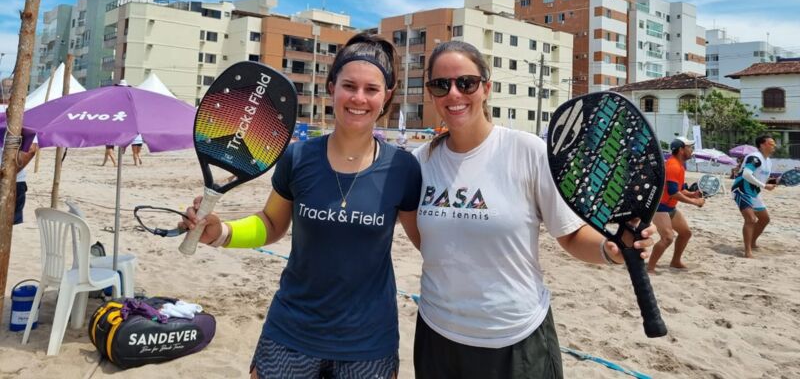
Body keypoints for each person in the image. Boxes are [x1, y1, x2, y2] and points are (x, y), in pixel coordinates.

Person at [411, 40, 654, 379]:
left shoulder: (526, 151)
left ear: (486, 88)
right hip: (438, 335)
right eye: (441, 85)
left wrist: (610, 250)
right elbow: (425, 241)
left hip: (516, 339)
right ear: (431, 93)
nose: (454, 93)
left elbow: (570, 235)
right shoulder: (420, 163)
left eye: (465, 82)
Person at [184, 33, 422, 379]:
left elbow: (430, 245)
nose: (359, 98)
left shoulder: (403, 168)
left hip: (368, 342)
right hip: (292, 332)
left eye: (371, 89)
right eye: (349, 86)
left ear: (386, 97)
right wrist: (221, 232)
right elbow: (270, 224)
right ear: (331, 88)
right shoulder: (298, 157)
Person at [647, 137, 705, 273]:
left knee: (685, 233)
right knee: (667, 238)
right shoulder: (673, 165)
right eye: (689, 148)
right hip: (659, 207)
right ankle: (650, 268)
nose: (691, 150)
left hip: (669, 207)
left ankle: (675, 261)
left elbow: (679, 189)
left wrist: (692, 194)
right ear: (681, 150)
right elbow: (673, 193)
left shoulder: (679, 165)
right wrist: (695, 202)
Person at [731, 134, 777, 258]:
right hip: (741, 190)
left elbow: (761, 179)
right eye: (771, 143)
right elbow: (746, 174)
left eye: (774, 143)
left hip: (753, 193)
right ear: (762, 145)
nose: (774, 145)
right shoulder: (754, 158)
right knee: (751, 219)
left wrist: (770, 183)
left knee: (765, 219)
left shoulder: (768, 161)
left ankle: (752, 242)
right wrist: (764, 186)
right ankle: (747, 251)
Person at [0, 139, 39, 225]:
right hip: (12, 180)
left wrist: (8, 173)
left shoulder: (25, 125)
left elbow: (31, 149)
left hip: (12, 181)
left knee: (5, 225)